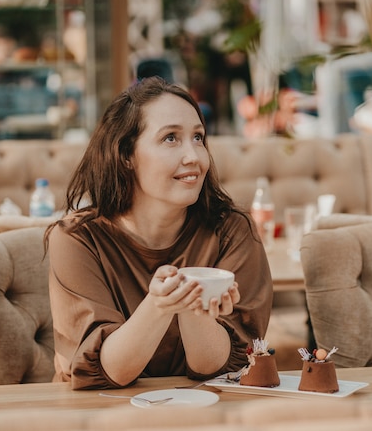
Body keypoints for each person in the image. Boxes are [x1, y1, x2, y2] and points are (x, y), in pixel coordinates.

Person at [45, 76, 273, 389]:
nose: (193, 157)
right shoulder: (77, 240)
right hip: (103, 415)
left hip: (203, 414)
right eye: (170, 139)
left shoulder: (232, 230)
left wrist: (195, 308)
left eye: (198, 138)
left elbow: (216, 370)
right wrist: (159, 306)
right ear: (125, 155)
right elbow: (108, 373)